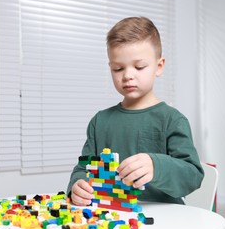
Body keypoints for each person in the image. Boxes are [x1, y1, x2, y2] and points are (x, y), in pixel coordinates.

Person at [66, 16, 204, 206]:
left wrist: (157, 166)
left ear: (159, 66)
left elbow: (192, 177)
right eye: (118, 68)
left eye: (139, 67)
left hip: (165, 221)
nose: (128, 75)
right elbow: (84, 167)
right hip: (111, 219)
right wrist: (77, 185)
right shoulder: (100, 122)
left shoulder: (172, 120)